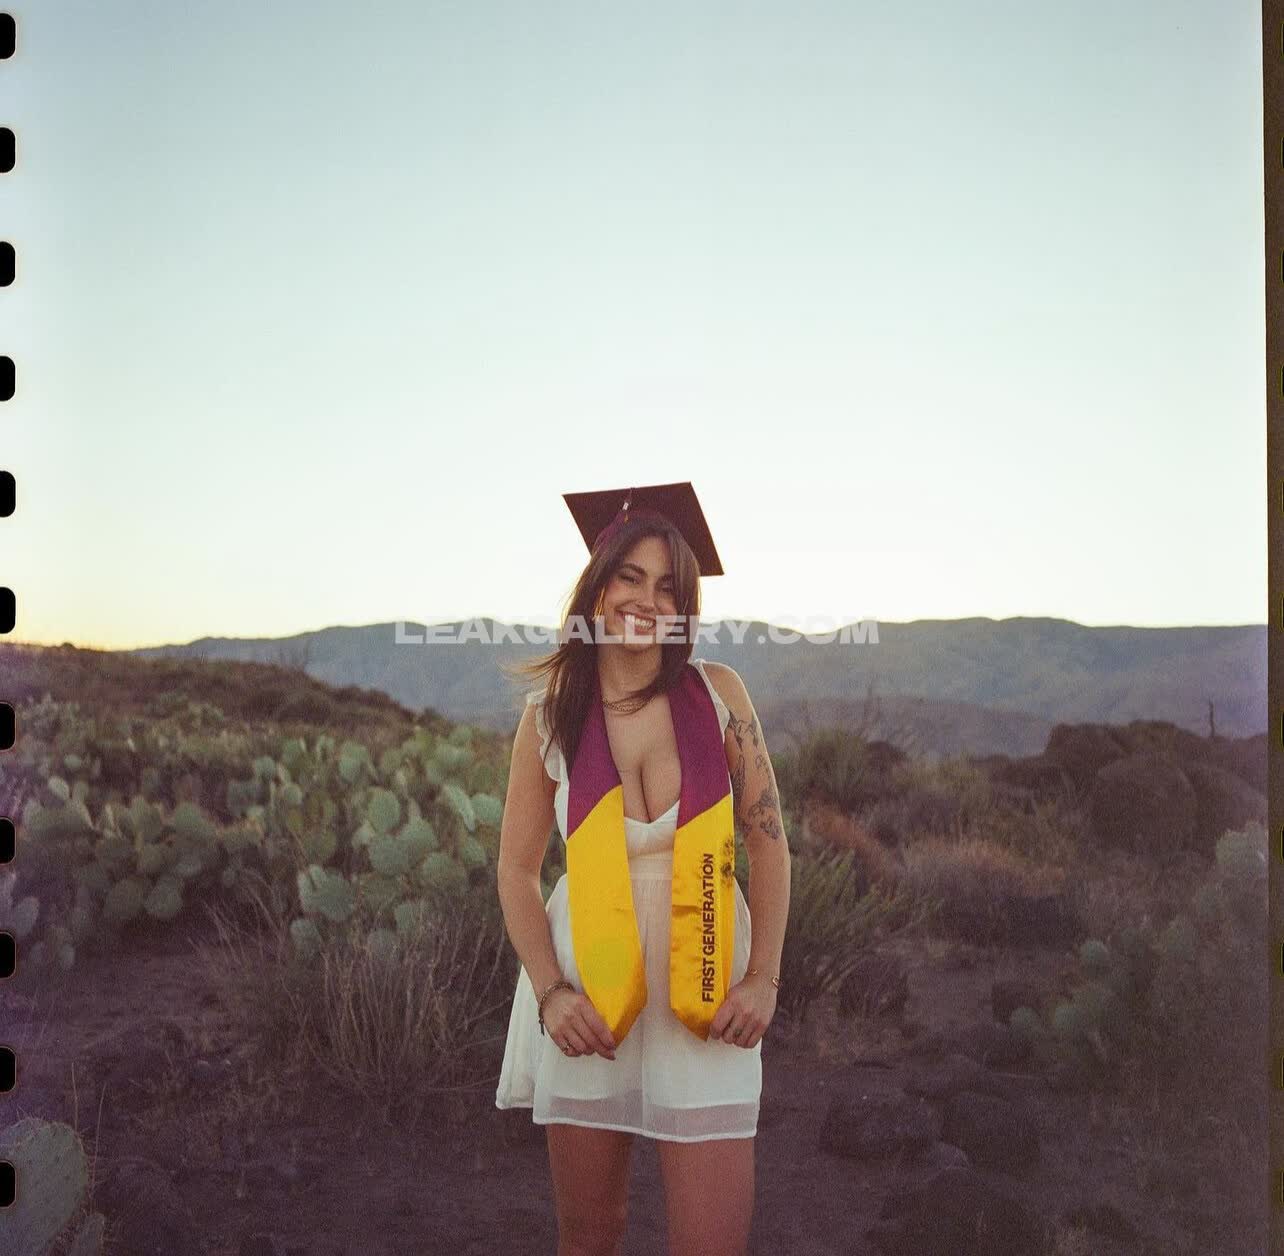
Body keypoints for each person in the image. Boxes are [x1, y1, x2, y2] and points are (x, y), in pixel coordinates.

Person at [495, 481, 792, 1256]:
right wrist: (551, 992)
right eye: (629, 577)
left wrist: (764, 978)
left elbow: (768, 843)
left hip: (710, 977)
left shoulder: (719, 695)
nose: (647, 601)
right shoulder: (550, 713)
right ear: (597, 587)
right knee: (591, 1235)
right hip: (590, 983)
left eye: (668, 587)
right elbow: (516, 871)